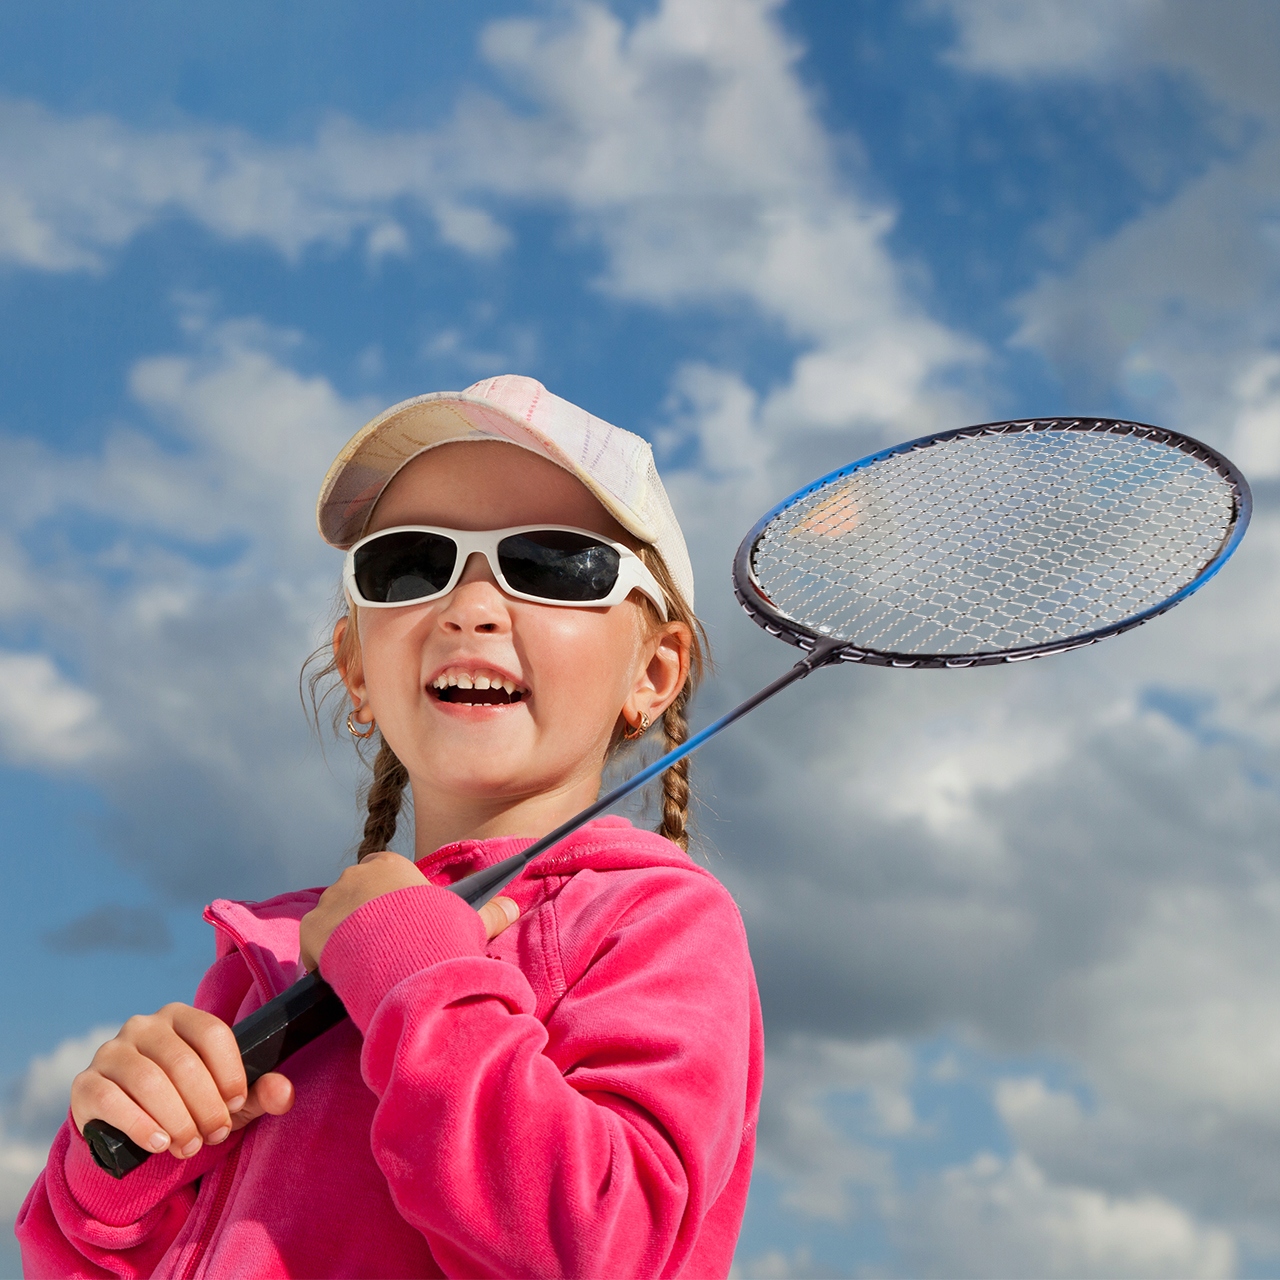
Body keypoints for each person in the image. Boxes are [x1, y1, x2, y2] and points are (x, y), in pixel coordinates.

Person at [17, 375, 763, 1279]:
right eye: (410, 564)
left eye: (553, 564)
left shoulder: (658, 924)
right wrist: (110, 1175)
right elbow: (98, 1256)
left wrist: (410, 966)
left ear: (654, 673)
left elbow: (596, 1247)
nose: (470, 606)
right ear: (357, 668)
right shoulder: (276, 952)